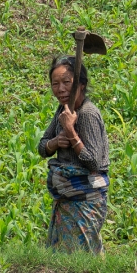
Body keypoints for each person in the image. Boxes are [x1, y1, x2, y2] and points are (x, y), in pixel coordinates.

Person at [37, 56, 110, 253]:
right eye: (55, 84)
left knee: (80, 257)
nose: (60, 89)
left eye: (66, 82)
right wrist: (55, 142)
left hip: (85, 199)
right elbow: (42, 146)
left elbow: (94, 162)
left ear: (81, 84)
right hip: (67, 198)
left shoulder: (87, 114)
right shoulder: (63, 110)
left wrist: (71, 132)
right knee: (67, 257)